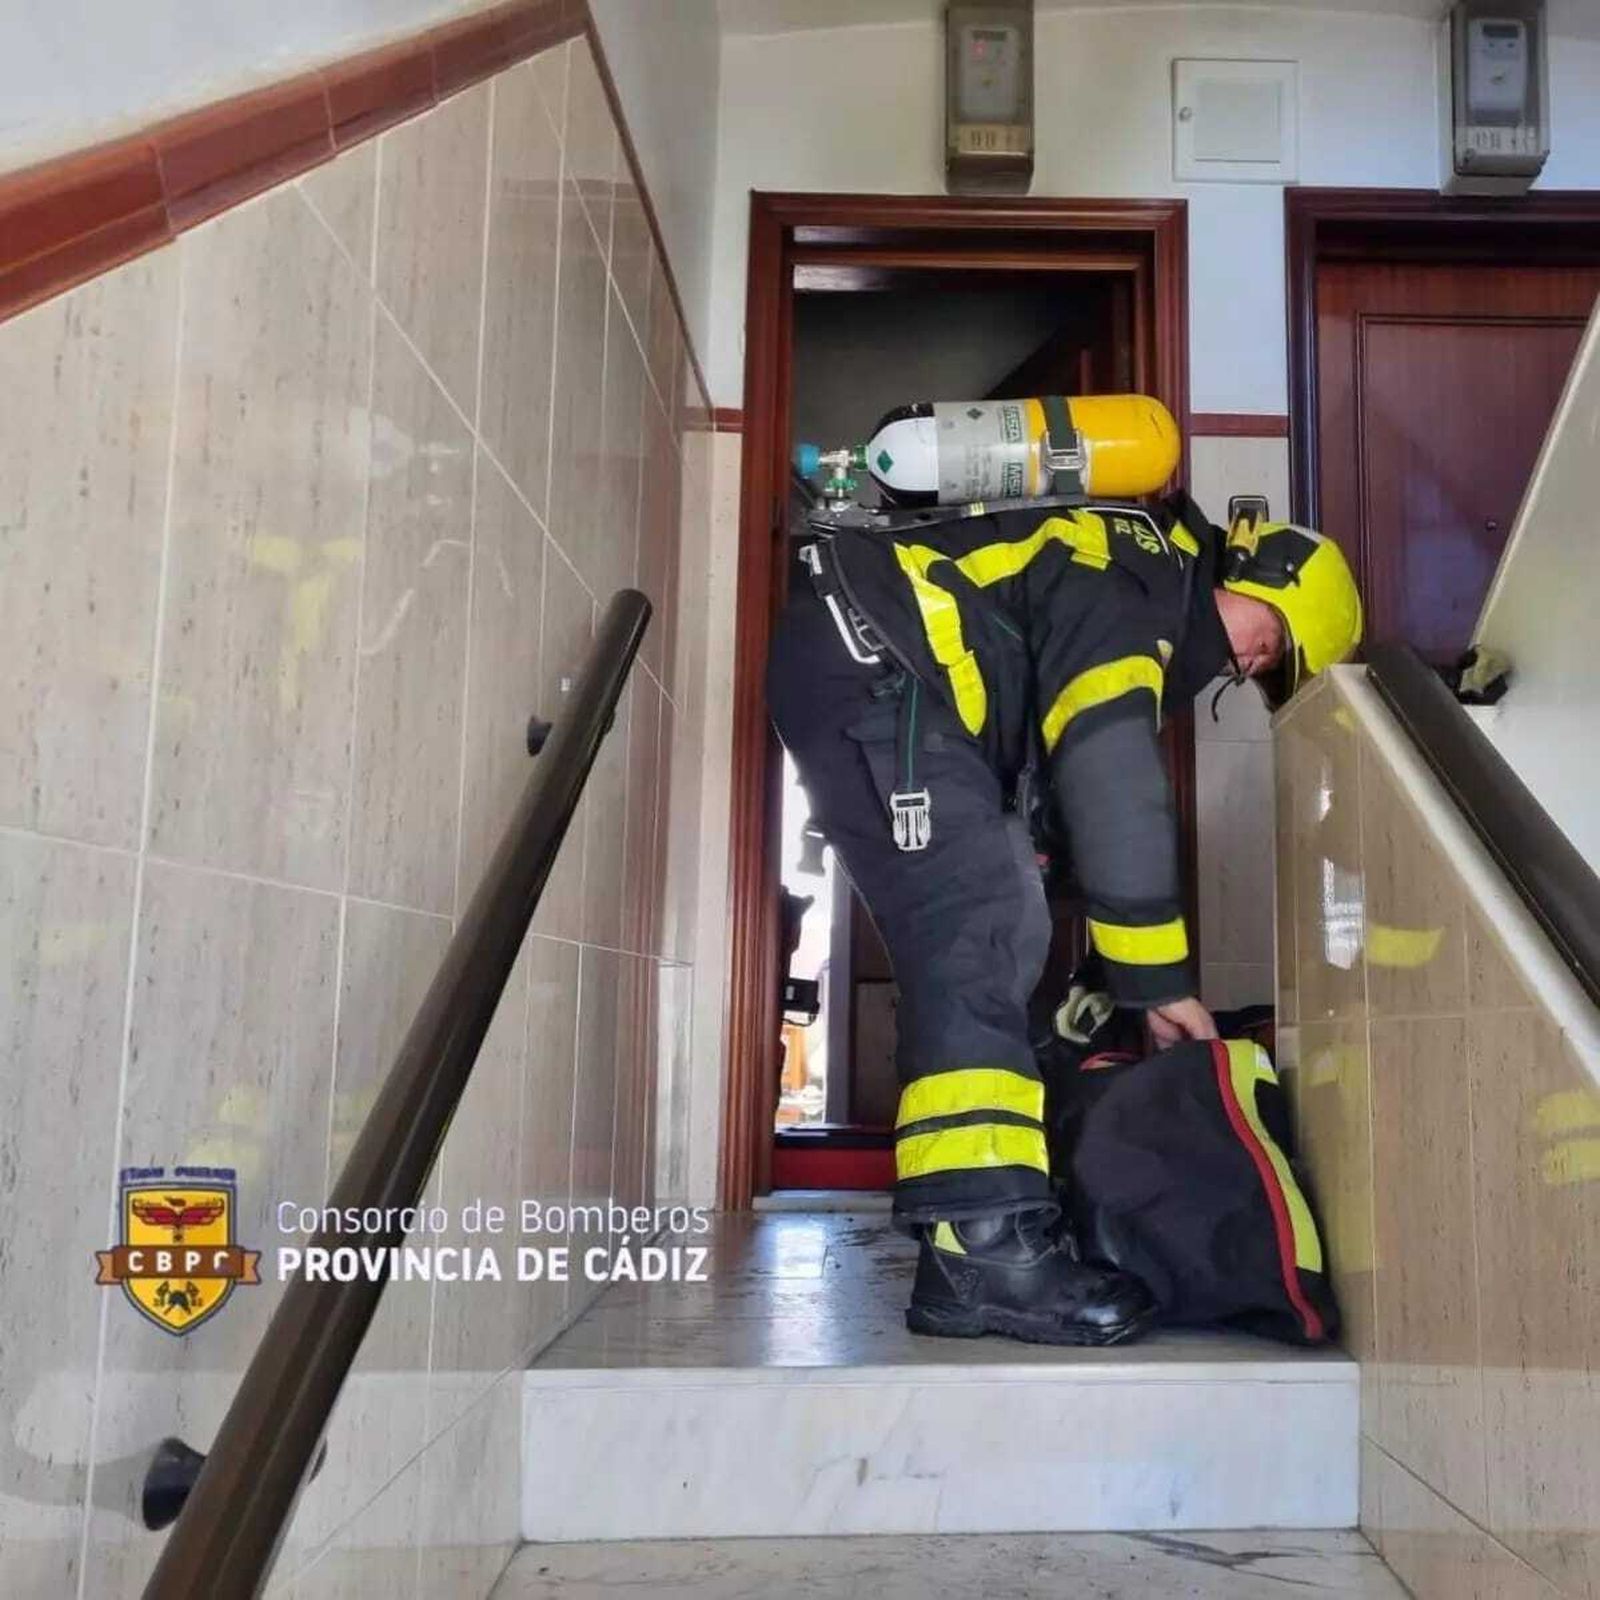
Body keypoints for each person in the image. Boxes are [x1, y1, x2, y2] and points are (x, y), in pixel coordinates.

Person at [767, 492, 1362, 1347]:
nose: (1243, 665)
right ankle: (980, 1249)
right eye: (1265, 639)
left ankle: (986, 1232)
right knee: (976, 925)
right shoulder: (1139, 578)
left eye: (1260, 667)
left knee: (1005, 913)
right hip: (877, 659)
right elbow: (1111, 771)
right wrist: (1156, 981)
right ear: (1249, 570)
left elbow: (1065, 773)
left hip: (893, 670)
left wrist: (1107, 978)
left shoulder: (1130, 573)